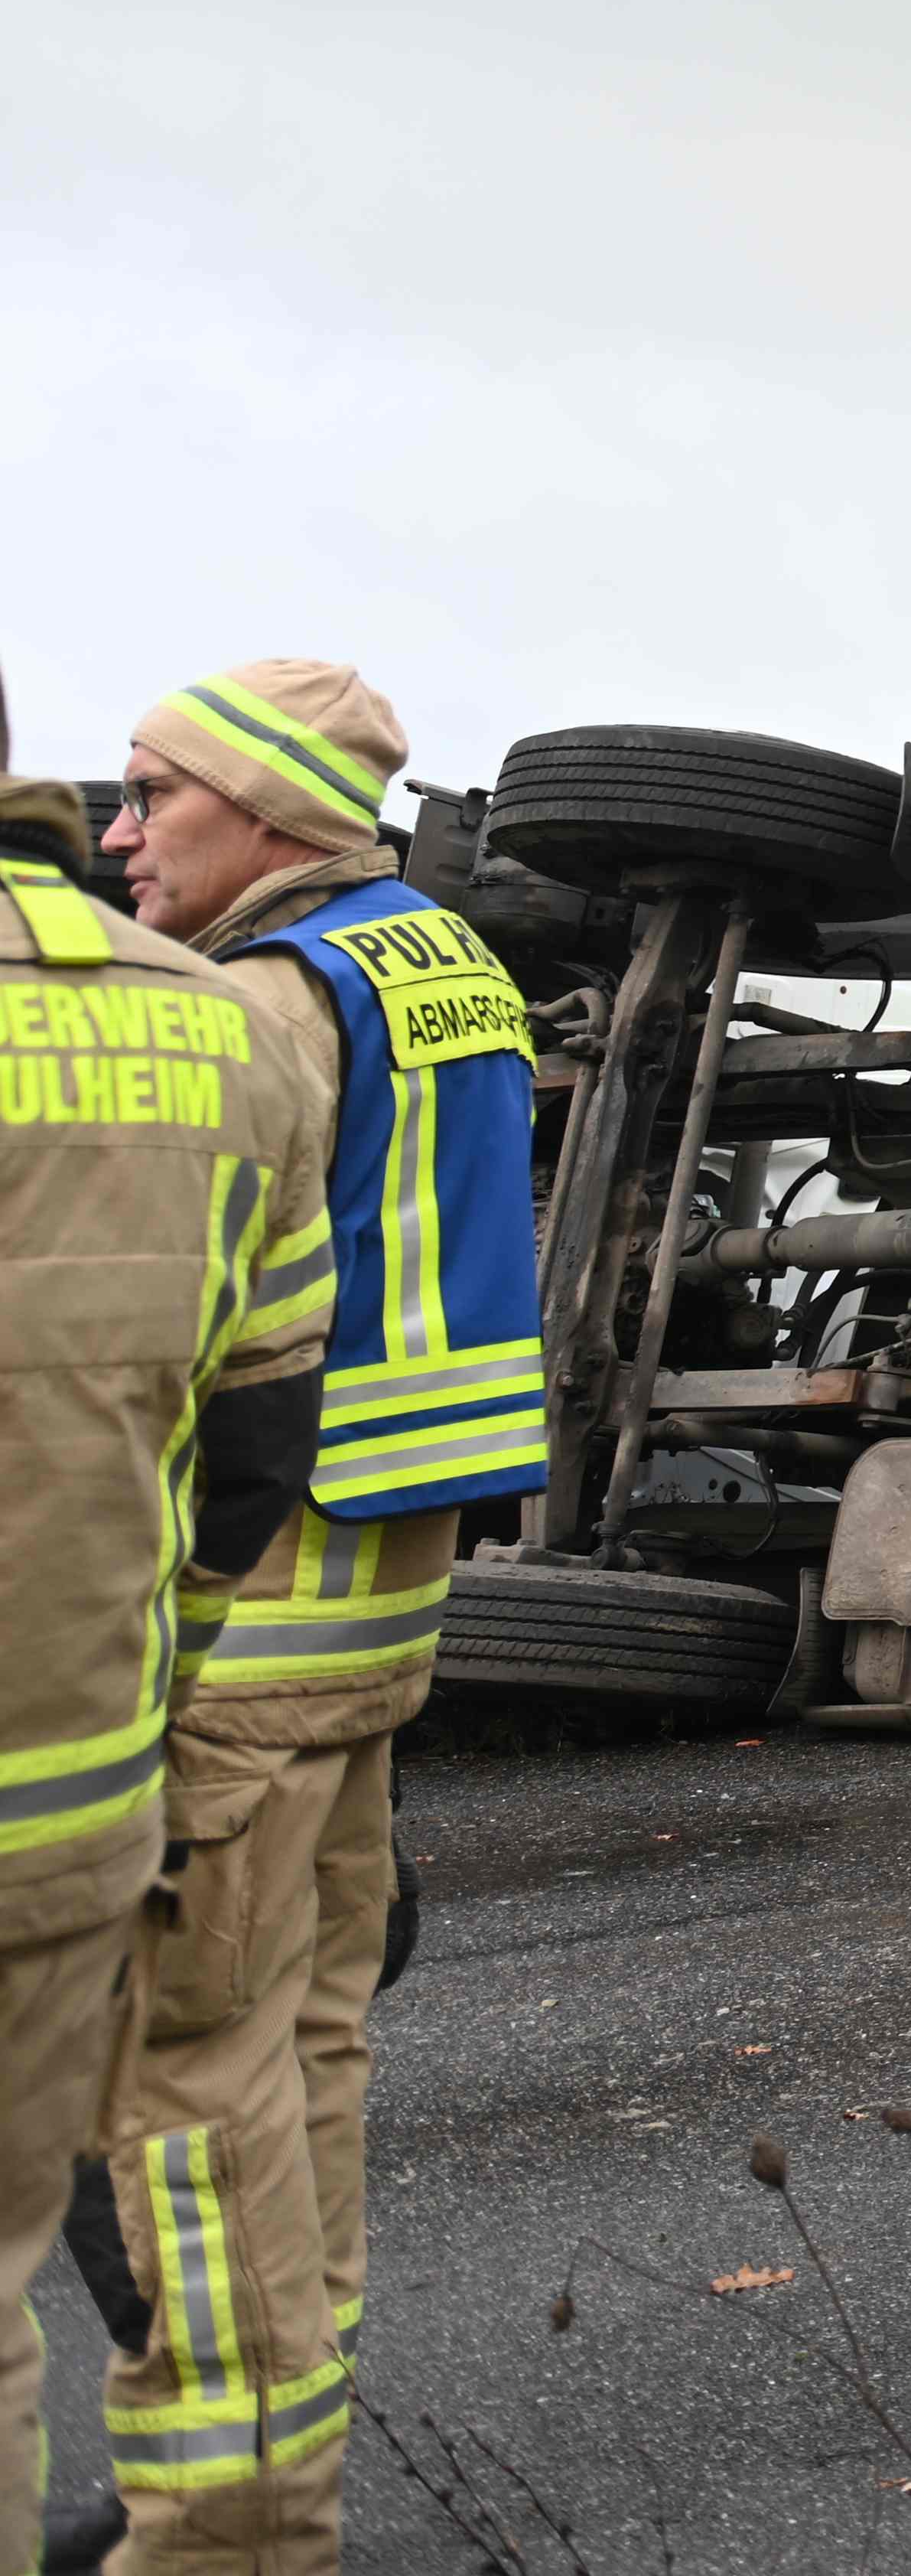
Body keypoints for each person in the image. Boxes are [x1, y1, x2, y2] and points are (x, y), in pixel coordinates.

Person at [93, 664, 530, 2574]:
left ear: (267, 812)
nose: (119, 840)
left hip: (244, 1622)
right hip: (376, 1601)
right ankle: (284, 2453)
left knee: (186, 2092)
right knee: (308, 2053)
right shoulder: (437, 960)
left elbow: (174, 1331)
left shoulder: (265, 1010)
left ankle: (225, 2526)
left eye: (150, 800)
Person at [0, 674, 331, 2576]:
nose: (129, 827)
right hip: (77, 1798)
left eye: (162, 791)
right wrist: (161, 1653)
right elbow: (258, 1435)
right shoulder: (224, 1038)